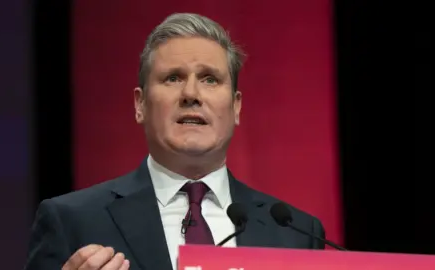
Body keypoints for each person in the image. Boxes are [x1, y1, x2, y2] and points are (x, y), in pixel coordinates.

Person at [24, 13, 326, 270]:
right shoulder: (71, 221)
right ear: (140, 105)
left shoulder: (296, 233)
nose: (191, 94)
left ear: (236, 107)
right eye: (172, 78)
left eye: (210, 79)